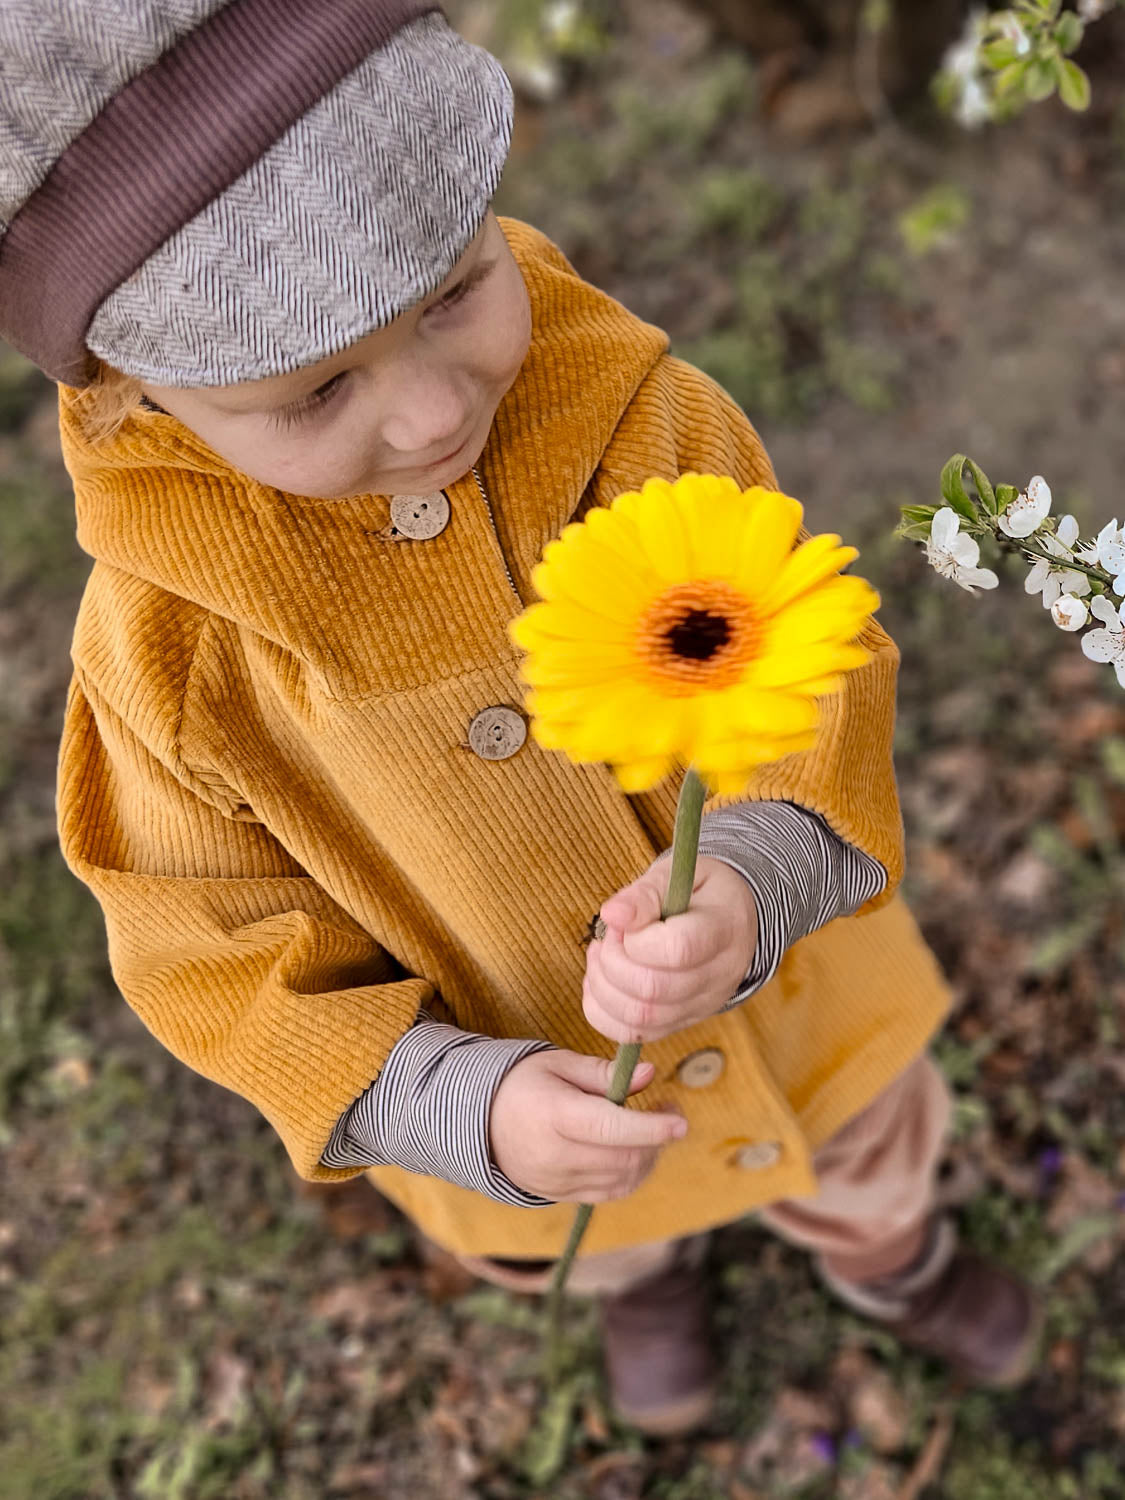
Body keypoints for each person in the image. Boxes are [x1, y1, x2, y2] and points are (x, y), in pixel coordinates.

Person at [1, 0, 1038, 1436]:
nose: (431, 413)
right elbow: (202, 941)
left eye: (451, 288)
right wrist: (449, 1104)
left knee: (863, 1138)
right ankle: (647, 1285)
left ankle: (889, 1256)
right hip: (511, 1068)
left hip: (789, 996)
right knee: (608, 1204)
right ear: (145, 396)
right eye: (318, 389)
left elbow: (809, 648)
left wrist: (756, 873)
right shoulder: (173, 643)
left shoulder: (637, 420)